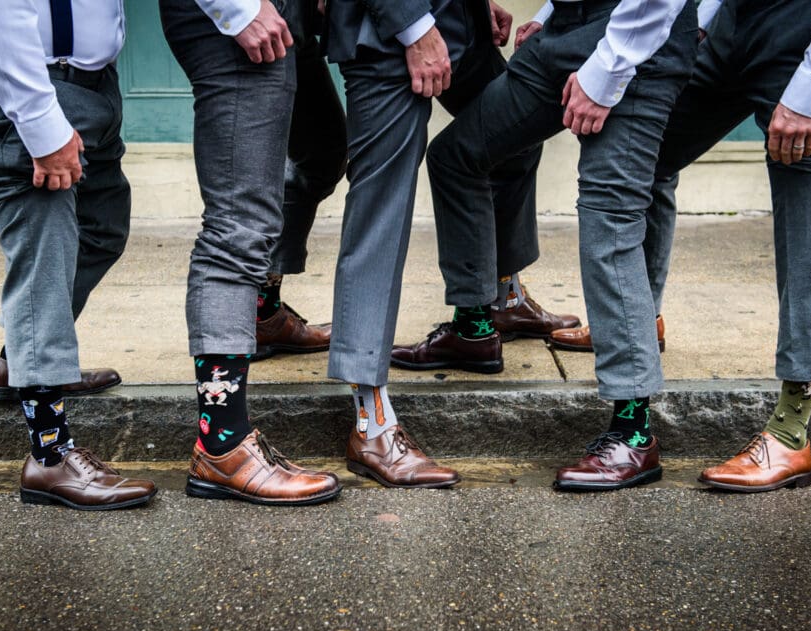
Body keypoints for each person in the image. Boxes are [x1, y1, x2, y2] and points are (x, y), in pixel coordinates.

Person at [422, 0, 700, 491]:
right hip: (566, 33)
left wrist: (609, 66)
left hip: (635, 41)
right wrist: (552, 15)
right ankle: (476, 325)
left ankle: (634, 433)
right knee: (456, 155)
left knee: (609, 218)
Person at [324, 0, 578, 488]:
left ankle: (491, 312)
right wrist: (414, 26)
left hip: (460, 24)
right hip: (391, 33)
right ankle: (370, 424)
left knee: (512, 139)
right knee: (382, 214)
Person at [638, 0, 811, 492]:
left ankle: (791, 433)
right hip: (731, 21)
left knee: (804, 222)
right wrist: (701, 22)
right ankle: (641, 317)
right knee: (639, 154)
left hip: (808, 31)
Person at [0, 0, 157, 509]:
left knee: (101, 228)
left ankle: (24, 361)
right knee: (45, 249)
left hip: (91, 84)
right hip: (17, 81)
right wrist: (39, 122)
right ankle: (49, 456)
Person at [161, 0, 341, 505]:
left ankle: (260, 311)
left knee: (322, 153)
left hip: (288, 16)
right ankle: (222, 446)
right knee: (238, 226)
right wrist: (237, 7)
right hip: (240, 19)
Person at [253, 0, 348, 362]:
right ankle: (254, 311)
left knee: (322, 151)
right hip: (262, 19)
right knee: (252, 173)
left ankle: (261, 309)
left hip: (295, 22)